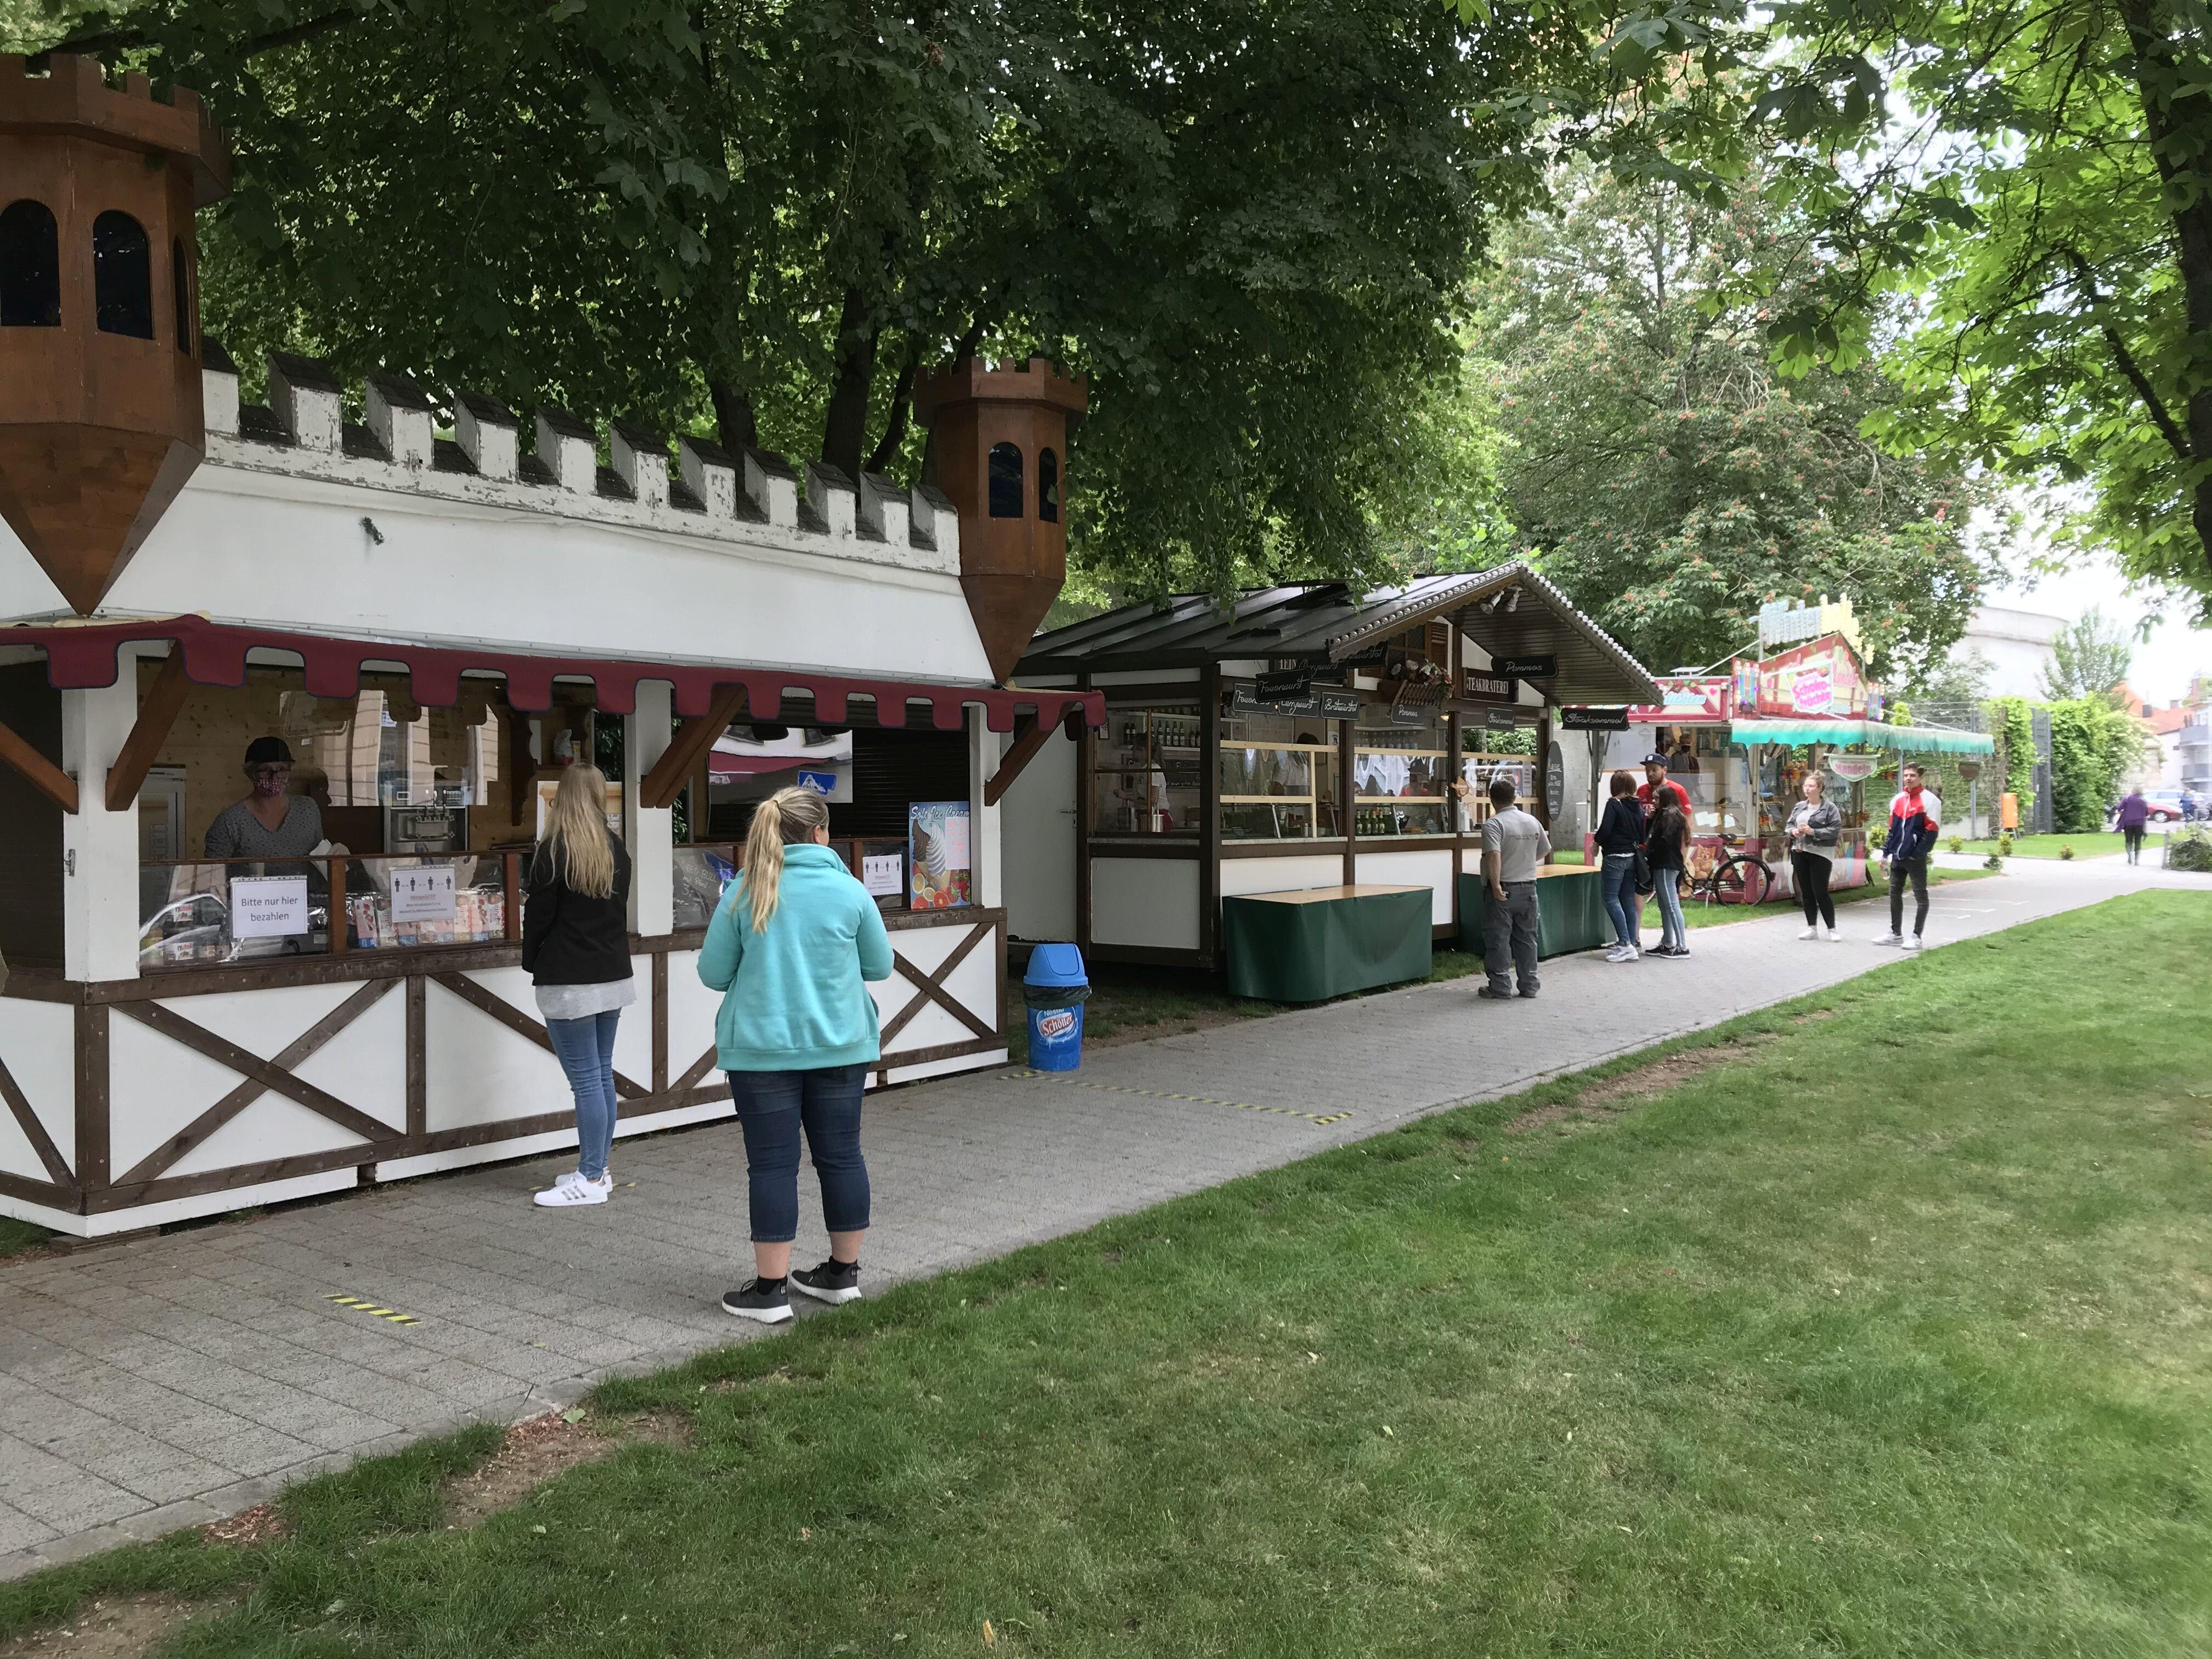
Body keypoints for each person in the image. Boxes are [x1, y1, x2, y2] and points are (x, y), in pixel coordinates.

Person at [701, 785, 893, 1324]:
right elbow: (879, 967)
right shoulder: (851, 892)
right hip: (841, 1046)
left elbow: (712, 973)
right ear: (819, 833)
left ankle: (769, 1293)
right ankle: (841, 1276)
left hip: (761, 1051)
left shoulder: (743, 892)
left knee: (771, 1168)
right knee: (842, 1156)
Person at [524, 763, 635, 1207]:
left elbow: (538, 917)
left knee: (587, 1081)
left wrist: (531, 961)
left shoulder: (553, 850)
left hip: (568, 979)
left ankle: (589, 1179)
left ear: (561, 796)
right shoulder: (615, 848)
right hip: (613, 975)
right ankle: (599, 1169)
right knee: (600, 1075)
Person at [1454, 775, 1549, 1000]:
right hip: (1528, 888)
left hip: (1504, 889)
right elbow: (1545, 849)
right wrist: (1525, 861)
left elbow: (1494, 855)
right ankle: (1529, 985)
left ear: (1492, 800)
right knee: (1527, 939)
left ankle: (1500, 985)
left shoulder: (1494, 824)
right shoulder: (1531, 821)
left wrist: (1495, 885)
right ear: (1514, 797)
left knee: (1499, 938)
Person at [204, 737, 324, 858]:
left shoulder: (308, 809)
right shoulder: (230, 822)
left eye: (281, 769)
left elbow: (322, 859)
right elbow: (213, 873)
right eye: (266, 770)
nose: (274, 778)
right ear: (251, 773)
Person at [1876, 761, 1940, 951]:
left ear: (1920, 777)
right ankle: (1895, 933)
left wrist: (1917, 854)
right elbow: (1892, 831)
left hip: (1915, 859)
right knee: (1894, 894)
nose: (1908, 779)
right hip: (1897, 857)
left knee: (1921, 895)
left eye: (1912, 775)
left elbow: (1932, 832)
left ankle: (1917, 936)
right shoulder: (1897, 800)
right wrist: (1886, 853)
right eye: (1906, 775)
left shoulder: (1930, 801)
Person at [1592, 769, 1646, 962]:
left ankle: (1624, 944)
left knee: (1610, 899)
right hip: (1632, 857)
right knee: (1628, 901)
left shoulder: (1613, 804)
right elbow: (1642, 836)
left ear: (1615, 787)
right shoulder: (1638, 808)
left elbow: (1605, 830)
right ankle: (1631, 942)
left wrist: (1596, 842)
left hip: (1615, 857)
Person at [1784, 771, 1844, 940]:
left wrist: (1813, 831)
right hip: (1800, 851)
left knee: (1820, 891)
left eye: (1811, 786)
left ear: (1820, 788)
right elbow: (1788, 825)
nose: (1807, 789)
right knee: (1806, 891)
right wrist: (1793, 831)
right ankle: (1812, 928)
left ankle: (1832, 929)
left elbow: (1835, 830)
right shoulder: (1800, 806)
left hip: (1821, 853)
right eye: (1805, 786)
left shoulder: (1829, 808)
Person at [1644, 785, 1692, 958]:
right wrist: (1651, 818)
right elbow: (1652, 835)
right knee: (1664, 904)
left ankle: (1682, 946)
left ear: (1665, 798)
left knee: (1671, 905)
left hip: (1666, 864)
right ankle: (1668, 942)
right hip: (1665, 863)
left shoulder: (1670, 815)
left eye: (1657, 798)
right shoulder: (1667, 814)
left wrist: (1649, 852)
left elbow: (1663, 840)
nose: (1654, 802)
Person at [1637, 751, 1691, 817]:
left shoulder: (1678, 790)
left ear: (1664, 770)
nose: (1650, 774)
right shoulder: (1641, 790)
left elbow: (1688, 820)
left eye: (1655, 770)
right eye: (1647, 770)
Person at [2117, 785, 2151, 864]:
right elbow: (2147, 813)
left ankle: (2129, 856)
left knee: (2129, 840)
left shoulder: (2127, 799)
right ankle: (2136, 860)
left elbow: (2119, 808)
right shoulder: (2143, 801)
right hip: (2139, 823)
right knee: (2138, 841)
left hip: (2128, 823)